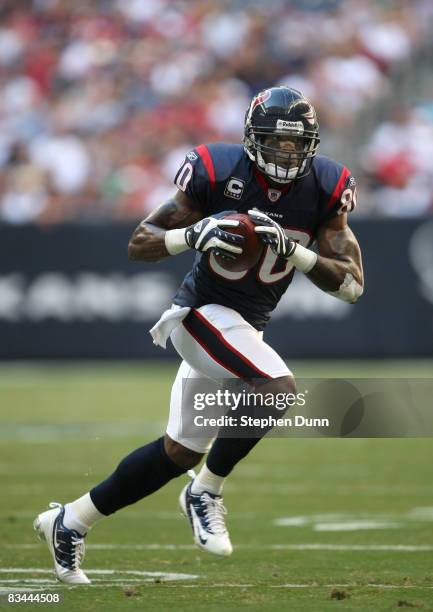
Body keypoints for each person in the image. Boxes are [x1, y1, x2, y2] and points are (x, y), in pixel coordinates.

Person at [33, 86, 364, 584]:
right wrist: (190, 234)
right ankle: (205, 490)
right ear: (252, 139)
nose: (286, 154)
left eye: (296, 146)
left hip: (240, 329)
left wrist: (295, 252)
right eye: (276, 142)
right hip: (198, 314)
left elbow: (352, 286)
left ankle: (71, 520)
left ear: (312, 146)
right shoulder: (218, 169)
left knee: (179, 451)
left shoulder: (325, 186)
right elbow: (138, 243)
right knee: (277, 391)